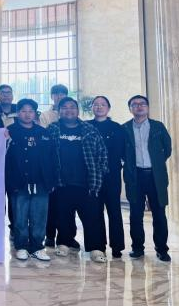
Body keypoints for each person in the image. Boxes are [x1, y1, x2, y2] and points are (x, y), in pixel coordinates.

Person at [47, 97, 108, 263]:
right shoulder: (52, 129)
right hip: (61, 182)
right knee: (63, 215)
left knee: (92, 217)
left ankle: (96, 248)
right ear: (59, 111)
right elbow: (45, 153)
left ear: (77, 110)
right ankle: (64, 243)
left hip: (87, 182)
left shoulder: (89, 129)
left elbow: (102, 153)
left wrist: (99, 173)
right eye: (65, 107)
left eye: (72, 107)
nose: (69, 110)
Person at [6, 99, 58, 261]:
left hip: (41, 182)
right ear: (18, 113)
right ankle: (21, 246)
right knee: (20, 217)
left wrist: (51, 180)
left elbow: (52, 158)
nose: (27, 114)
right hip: (18, 182)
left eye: (30, 111)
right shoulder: (9, 131)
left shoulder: (44, 133)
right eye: (23, 111)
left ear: (35, 114)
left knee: (39, 216)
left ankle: (37, 247)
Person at [123, 95, 172, 262]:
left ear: (148, 107)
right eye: (134, 104)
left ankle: (162, 249)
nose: (139, 106)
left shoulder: (158, 126)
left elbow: (167, 148)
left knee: (159, 214)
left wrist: (156, 163)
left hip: (155, 176)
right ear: (130, 109)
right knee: (135, 215)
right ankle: (137, 248)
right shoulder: (124, 128)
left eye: (142, 104)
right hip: (134, 176)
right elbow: (122, 152)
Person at [88, 96, 126, 258]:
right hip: (92, 177)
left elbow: (123, 151)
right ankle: (98, 246)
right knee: (94, 212)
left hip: (112, 176)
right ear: (92, 108)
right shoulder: (86, 126)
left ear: (108, 108)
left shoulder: (117, 128)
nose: (99, 107)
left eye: (103, 104)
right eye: (96, 104)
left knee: (114, 211)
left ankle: (117, 247)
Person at [41, 84, 71, 247]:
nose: (59, 97)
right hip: (52, 164)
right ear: (52, 96)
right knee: (51, 204)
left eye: (62, 94)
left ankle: (68, 237)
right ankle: (50, 235)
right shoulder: (45, 115)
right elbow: (43, 136)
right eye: (56, 94)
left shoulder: (72, 113)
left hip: (69, 167)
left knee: (67, 205)